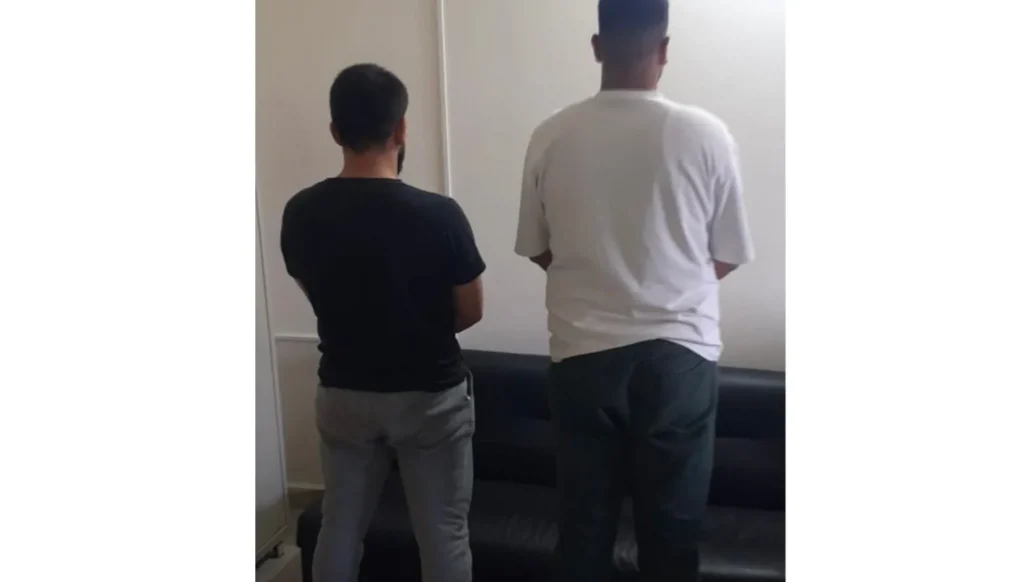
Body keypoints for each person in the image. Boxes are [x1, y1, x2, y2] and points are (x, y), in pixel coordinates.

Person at [514, 1, 755, 580]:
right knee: (672, 536)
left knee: (583, 532)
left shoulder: (551, 135)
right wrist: (669, 285)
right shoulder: (706, 135)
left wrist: (596, 281)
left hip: (582, 354)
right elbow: (727, 253)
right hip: (680, 358)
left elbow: (537, 246)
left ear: (597, 46)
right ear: (664, 48)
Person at [280, 63, 485, 582]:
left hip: (343, 391)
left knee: (340, 526)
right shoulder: (440, 215)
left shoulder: (300, 212)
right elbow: (470, 310)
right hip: (428, 396)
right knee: (443, 534)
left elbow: (316, 295)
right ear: (401, 129)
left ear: (335, 132)